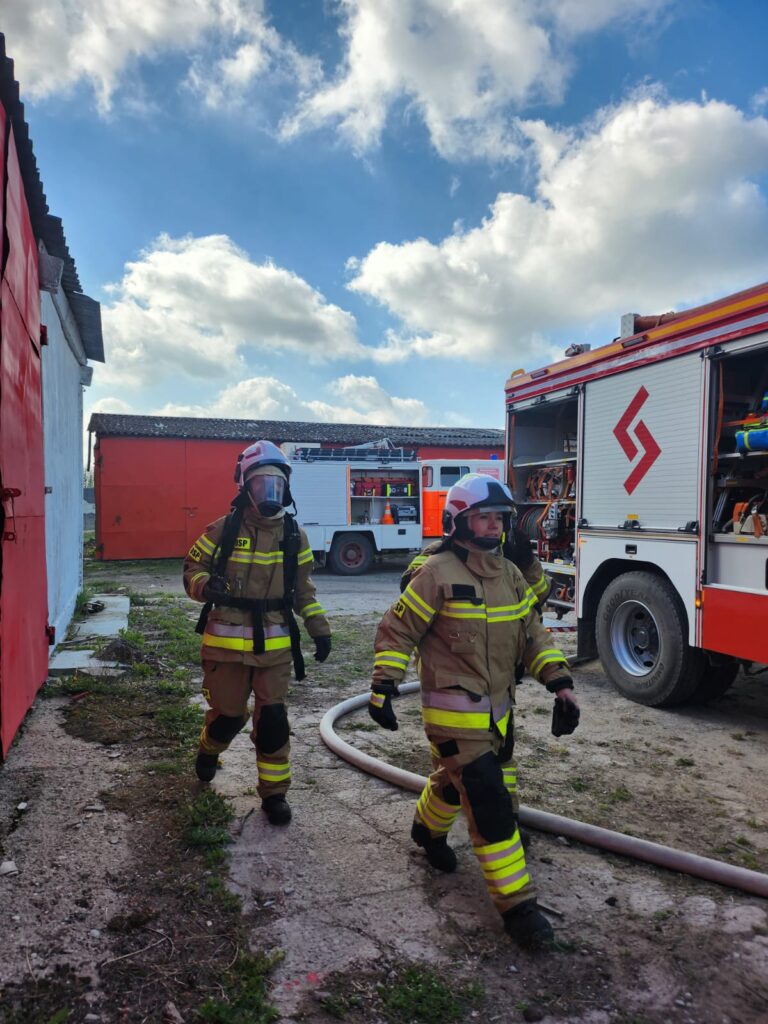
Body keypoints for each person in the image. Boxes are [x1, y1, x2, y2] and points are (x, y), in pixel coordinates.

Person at [368, 473, 579, 948]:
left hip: (499, 711)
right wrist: (383, 685)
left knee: (456, 781)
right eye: (483, 517)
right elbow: (397, 631)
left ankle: (427, 830)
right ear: (459, 521)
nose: (493, 526)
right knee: (487, 797)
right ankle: (519, 908)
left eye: (499, 518)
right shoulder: (435, 573)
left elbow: (533, 634)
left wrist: (560, 685)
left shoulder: (507, 574)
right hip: (451, 712)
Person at [183, 440, 331, 825]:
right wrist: (205, 586)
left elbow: (304, 591)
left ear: (287, 488)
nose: (271, 493)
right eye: (262, 484)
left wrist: (319, 628)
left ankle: (275, 794)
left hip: (276, 645)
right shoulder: (223, 530)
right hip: (225, 644)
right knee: (229, 716)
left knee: (273, 722)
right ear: (244, 486)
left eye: (277, 485)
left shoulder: (294, 536)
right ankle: (208, 749)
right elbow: (191, 569)